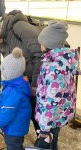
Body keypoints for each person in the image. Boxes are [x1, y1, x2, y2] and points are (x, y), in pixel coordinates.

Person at [0, 10, 42, 139]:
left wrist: (34, 85)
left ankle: (44, 140)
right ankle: (33, 135)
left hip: (36, 79)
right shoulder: (1, 39)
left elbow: (41, 55)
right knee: (27, 108)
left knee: (36, 110)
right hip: (24, 79)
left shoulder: (20, 28)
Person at [35, 20, 80, 150]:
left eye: (41, 43)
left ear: (49, 44)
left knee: (46, 144)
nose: (40, 46)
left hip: (50, 119)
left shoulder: (54, 69)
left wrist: (44, 128)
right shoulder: (62, 61)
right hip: (58, 116)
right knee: (53, 141)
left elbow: (52, 100)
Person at [0, 47, 32, 150]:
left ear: (9, 72)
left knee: (12, 146)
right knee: (17, 143)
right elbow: (13, 104)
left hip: (13, 129)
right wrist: (0, 103)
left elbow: (7, 116)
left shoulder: (12, 91)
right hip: (20, 124)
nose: (2, 73)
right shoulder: (22, 82)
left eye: (3, 69)